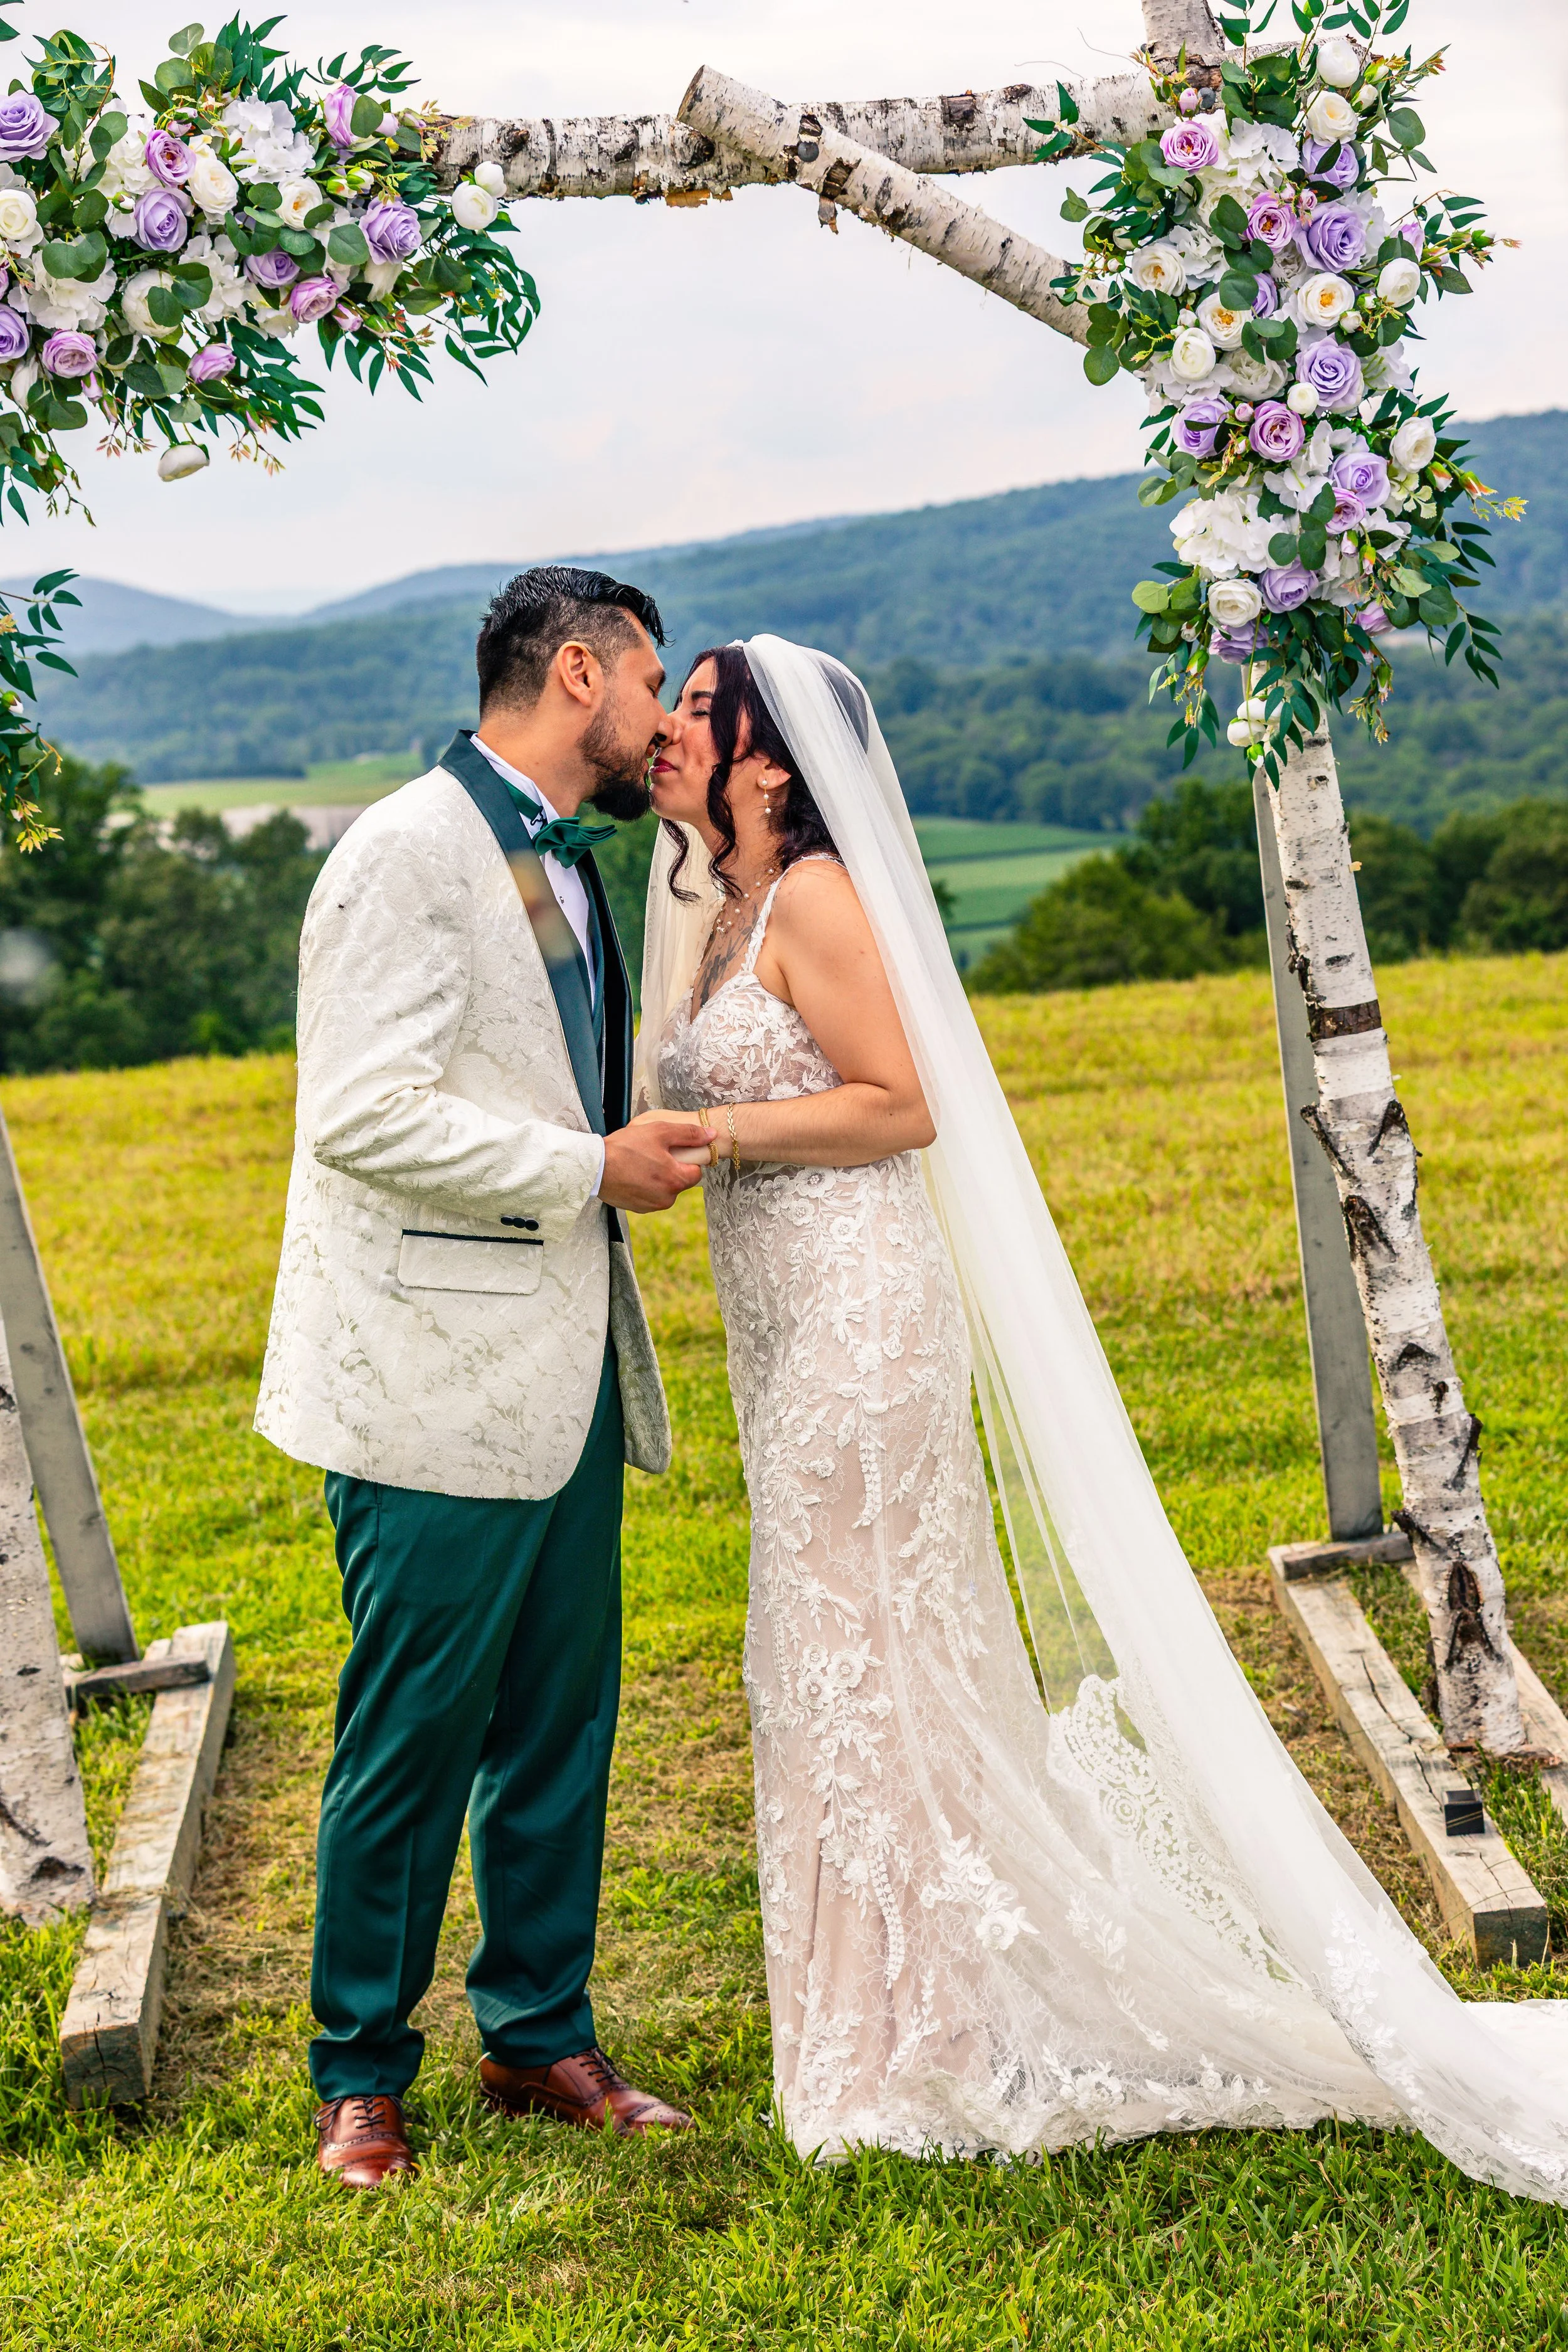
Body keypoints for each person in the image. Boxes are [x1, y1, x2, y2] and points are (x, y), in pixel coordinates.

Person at [634, 633, 1568, 2194]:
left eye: (693, 715)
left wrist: (710, 1129)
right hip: (786, 1325)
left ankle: (917, 2039)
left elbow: (901, 1101)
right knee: (832, 1655)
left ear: (770, 761)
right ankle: (882, 2011)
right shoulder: (714, 904)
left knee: (860, 1649)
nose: (665, 733)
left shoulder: (813, 900)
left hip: (864, 1319)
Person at [255, 567, 706, 2190]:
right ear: (578, 671)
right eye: (649, 678)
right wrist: (586, 1161)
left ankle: (535, 2026)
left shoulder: (563, 857)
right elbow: (358, 1112)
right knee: (411, 1733)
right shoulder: (406, 850)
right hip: (432, 1371)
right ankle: (359, 2071)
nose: (660, 712)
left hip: (566, 1365)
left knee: (557, 1720)